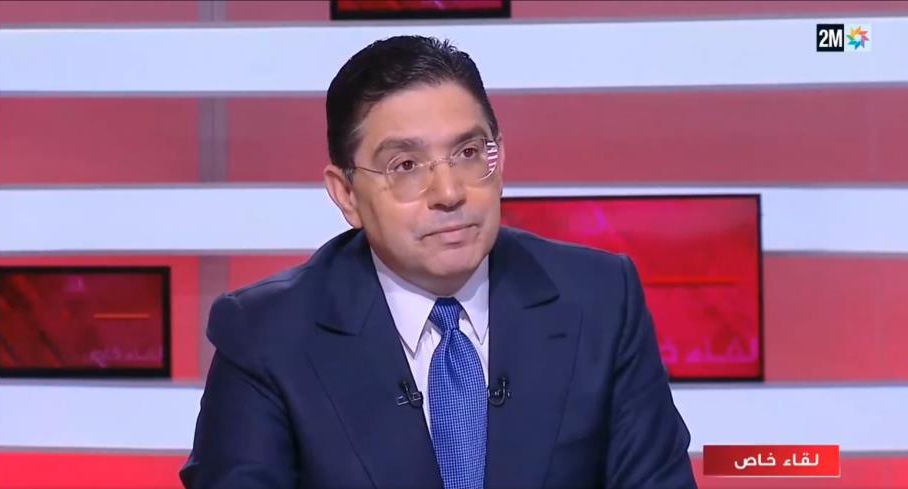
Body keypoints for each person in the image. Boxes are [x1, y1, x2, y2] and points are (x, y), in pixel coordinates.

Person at [181, 35, 696, 489]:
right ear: (347, 195)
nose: (449, 193)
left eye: (469, 153)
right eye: (406, 165)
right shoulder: (267, 336)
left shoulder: (600, 299)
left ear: (499, 160)